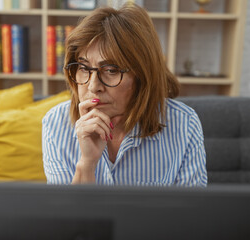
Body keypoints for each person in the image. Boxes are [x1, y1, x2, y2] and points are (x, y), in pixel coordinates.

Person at [42, 3, 207, 186]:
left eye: (111, 70)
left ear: (141, 76)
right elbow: (67, 214)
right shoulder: (56, 123)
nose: (93, 86)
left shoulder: (185, 124)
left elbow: (190, 213)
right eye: (83, 67)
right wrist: (86, 165)